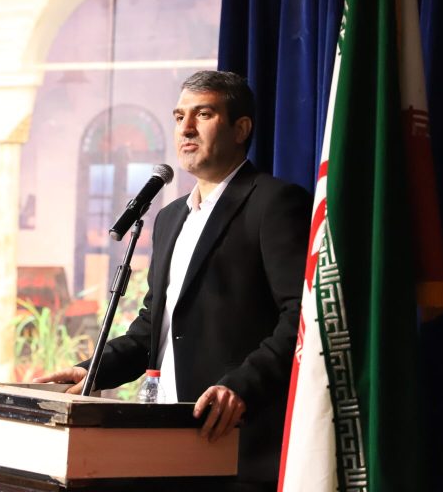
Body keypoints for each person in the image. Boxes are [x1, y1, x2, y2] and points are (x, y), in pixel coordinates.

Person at [35, 70, 311, 491]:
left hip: (234, 441)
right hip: (165, 438)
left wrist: (242, 386)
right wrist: (89, 372)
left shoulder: (273, 203)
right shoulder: (169, 217)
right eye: (180, 116)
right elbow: (152, 328)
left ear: (241, 129)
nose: (186, 128)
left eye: (204, 114)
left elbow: (301, 315)